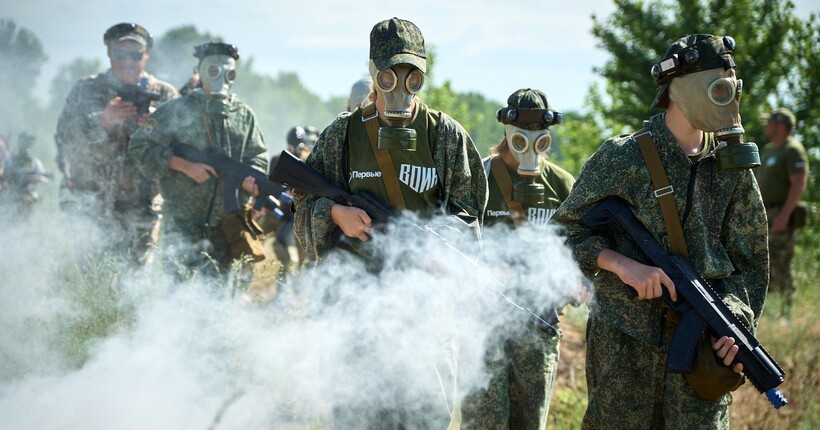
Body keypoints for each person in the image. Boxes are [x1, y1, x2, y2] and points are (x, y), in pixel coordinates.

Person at [552, 34, 768, 428]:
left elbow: (750, 263)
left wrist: (733, 322)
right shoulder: (623, 157)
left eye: (733, 89)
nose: (729, 101)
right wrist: (621, 265)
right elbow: (563, 234)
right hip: (625, 350)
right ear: (681, 89)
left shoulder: (733, 169)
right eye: (719, 89)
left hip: (702, 355)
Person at [292, 17, 487, 428]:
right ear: (373, 72)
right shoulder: (343, 135)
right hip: (356, 308)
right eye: (389, 74)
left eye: (411, 75)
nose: (400, 84)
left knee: (426, 414)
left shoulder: (446, 136)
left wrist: (439, 247)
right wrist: (336, 214)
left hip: (424, 308)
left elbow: (469, 215)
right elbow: (303, 203)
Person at [461, 89, 573, 429]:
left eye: (540, 131)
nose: (530, 140)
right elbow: (454, 243)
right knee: (483, 422)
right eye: (523, 132)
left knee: (529, 423)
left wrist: (561, 291)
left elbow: (578, 249)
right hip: (483, 325)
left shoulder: (561, 184)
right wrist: (485, 268)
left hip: (537, 327)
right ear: (507, 130)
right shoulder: (478, 178)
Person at [129, 42, 267, 279]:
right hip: (182, 225)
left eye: (228, 72)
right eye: (213, 71)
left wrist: (251, 180)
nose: (221, 78)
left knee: (220, 301)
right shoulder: (175, 110)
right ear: (201, 72)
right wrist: (182, 165)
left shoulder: (244, 116)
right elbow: (139, 146)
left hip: (227, 228)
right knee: (177, 297)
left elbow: (257, 156)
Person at [55, 22, 179, 263]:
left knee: (135, 285)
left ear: (147, 55)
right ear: (109, 51)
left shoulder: (166, 96)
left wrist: (157, 131)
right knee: (93, 279)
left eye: (136, 55)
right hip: (94, 204)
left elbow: (185, 147)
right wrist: (101, 120)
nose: (128, 61)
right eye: (120, 53)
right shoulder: (86, 90)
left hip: (143, 208)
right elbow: (65, 134)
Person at [754, 107, 809, 316]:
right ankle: (767, 313)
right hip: (765, 215)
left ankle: (786, 313)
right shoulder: (769, 149)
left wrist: (785, 215)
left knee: (781, 262)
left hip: (780, 213)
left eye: (770, 122)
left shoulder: (792, 150)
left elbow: (798, 183)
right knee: (764, 264)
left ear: (779, 124)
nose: (766, 126)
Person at [0, 132, 50, 215]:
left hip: (30, 197)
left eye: (29, 143)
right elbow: (5, 177)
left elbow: (45, 180)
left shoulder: (35, 163)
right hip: (12, 197)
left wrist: (35, 178)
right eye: (25, 142)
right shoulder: (11, 160)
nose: (27, 146)